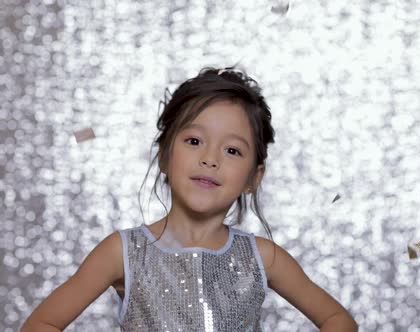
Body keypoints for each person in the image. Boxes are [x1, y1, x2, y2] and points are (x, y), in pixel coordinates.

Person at [21, 66, 358, 331]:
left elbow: (339, 320)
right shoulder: (121, 252)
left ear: (254, 178)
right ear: (165, 155)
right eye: (194, 141)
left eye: (232, 150)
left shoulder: (263, 257)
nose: (211, 159)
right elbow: (40, 324)